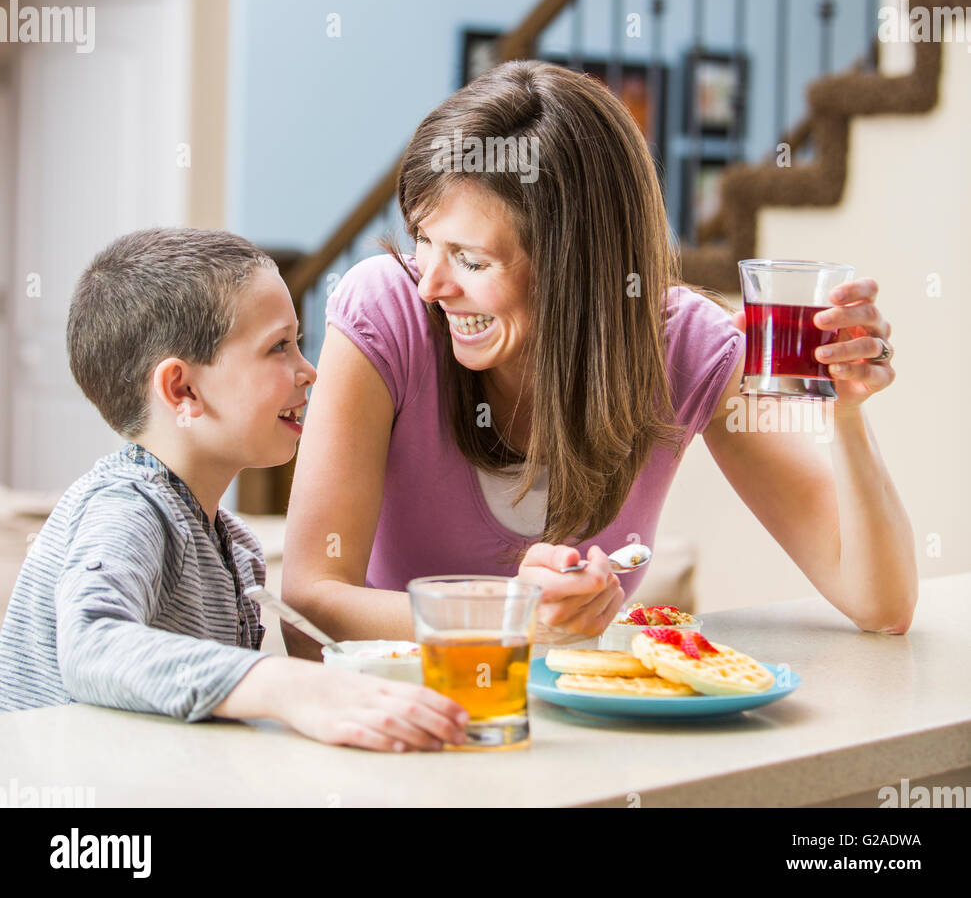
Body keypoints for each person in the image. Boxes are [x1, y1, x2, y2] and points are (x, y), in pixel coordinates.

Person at [281, 61, 917, 655]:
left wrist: (850, 414)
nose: (431, 285)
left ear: (576, 270)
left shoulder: (685, 348)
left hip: (584, 750)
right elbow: (310, 603)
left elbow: (880, 604)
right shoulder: (387, 314)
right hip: (404, 730)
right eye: (424, 241)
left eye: (471, 260)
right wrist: (508, 618)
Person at [0, 228, 468, 753]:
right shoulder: (127, 509)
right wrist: (282, 685)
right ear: (183, 389)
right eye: (278, 347)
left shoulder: (237, 549)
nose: (308, 371)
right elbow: (89, 644)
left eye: (300, 344)